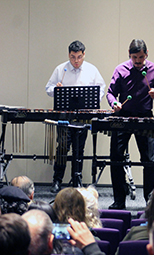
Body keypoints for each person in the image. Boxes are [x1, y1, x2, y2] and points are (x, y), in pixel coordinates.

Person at [106, 39, 154, 209]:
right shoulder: (121, 70)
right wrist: (114, 104)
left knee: (148, 160)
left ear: (146, 54)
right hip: (123, 118)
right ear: (129, 55)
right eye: (135, 58)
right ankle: (119, 200)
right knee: (116, 159)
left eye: (141, 57)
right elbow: (110, 93)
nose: (138, 61)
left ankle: (149, 200)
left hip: (145, 117)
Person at [45, 40, 106, 193]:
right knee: (63, 147)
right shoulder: (61, 69)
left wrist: (93, 99)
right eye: (73, 57)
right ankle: (57, 180)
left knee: (79, 148)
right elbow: (48, 88)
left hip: (83, 113)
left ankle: (76, 181)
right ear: (69, 55)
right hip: (65, 113)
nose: (76, 61)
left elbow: (101, 88)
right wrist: (56, 89)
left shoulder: (92, 70)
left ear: (84, 55)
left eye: (79, 57)